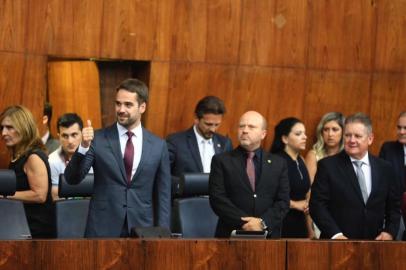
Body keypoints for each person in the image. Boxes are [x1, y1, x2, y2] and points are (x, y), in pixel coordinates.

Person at [64, 78, 171, 238]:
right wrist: (83, 147)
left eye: (128, 105)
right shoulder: (97, 139)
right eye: (118, 104)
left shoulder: (158, 145)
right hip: (102, 227)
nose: (121, 109)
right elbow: (72, 179)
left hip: (143, 229)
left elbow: (163, 194)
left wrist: (163, 233)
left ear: (142, 107)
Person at [309, 113, 401, 240]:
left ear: (370, 138)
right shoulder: (328, 166)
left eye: (357, 136)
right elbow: (316, 205)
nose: (352, 140)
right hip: (336, 245)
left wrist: (389, 232)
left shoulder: (385, 168)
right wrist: (336, 235)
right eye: (348, 135)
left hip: (375, 245)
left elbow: (394, 207)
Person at [209, 111, 290, 238]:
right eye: (242, 126)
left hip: (269, 237)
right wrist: (244, 223)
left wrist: (262, 223)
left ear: (263, 134)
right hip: (231, 234)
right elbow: (217, 198)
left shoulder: (278, 163)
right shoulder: (221, 161)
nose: (245, 130)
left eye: (251, 127)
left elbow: (283, 201)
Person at [0, 105, 55, 238]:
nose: (3, 133)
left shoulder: (33, 157)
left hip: (35, 232)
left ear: (23, 128)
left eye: (10, 127)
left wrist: (4, 197)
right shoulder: (17, 157)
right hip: (19, 225)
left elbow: (39, 195)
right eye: (2, 128)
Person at [166, 96, 233, 177]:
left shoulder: (225, 144)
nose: (213, 129)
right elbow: (164, 176)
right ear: (196, 118)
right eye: (208, 124)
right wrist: (183, 184)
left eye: (217, 124)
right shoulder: (176, 142)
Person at [270, 117, 314, 238]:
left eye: (304, 133)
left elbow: (306, 191)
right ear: (285, 138)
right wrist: (295, 204)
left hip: (300, 222)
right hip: (281, 222)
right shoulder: (276, 160)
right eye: (298, 134)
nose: (304, 137)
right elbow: (269, 195)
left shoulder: (301, 159)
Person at [49, 113, 93, 201]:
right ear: (59, 137)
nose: (70, 141)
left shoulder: (95, 155)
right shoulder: (52, 160)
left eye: (74, 135)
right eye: (65, 136)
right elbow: (55, 196)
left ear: (82, 134)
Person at [379, 111, 406, 240]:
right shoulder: (388, 148)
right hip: (394, 211)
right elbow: (381, 180)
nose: (401, 131)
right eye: (399, 127)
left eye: (405, 128)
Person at [305, 112, 345, 181]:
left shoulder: (348, 156)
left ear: (343, 132)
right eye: (326, 129)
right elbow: (308, 188)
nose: (330, 134)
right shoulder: (314, 156)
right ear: (321, 132)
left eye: (335, 129)